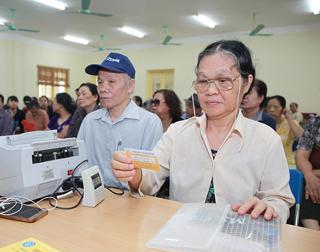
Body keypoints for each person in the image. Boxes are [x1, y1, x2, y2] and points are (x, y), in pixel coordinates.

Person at [112, 40, 294, 222]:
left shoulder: (266, 139)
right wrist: (135, 175)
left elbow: (279, 200)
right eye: (203, 81)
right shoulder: (178, 132)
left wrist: (269, 208)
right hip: (182, 232)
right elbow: (150, 178)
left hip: (237, 237)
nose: (211, 90)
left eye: (223, 81)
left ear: (246, 83)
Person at [78, 52, 162, 189]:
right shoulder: (90, 121)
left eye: (111, 81)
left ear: (130, 86)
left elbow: (151, 179)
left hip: (133, 202)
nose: (103, 89)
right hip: (94, 198)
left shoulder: (149, 123)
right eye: (99, 82)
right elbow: (79, 165)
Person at [296, 116, 320, 230]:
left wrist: (313, 174)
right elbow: (301, 155)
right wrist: (309, 175)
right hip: (313, 182)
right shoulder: (315, 122)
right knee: (303, 183)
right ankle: (314, 234)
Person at [266, 95, 303, 165]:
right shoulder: (264, 123)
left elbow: (302, 138)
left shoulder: (290, 123)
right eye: (269, 107)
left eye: (275, 107)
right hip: (268, 163)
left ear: (283, 109)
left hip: (287, 163)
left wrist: (289, 118)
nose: (271, 110)